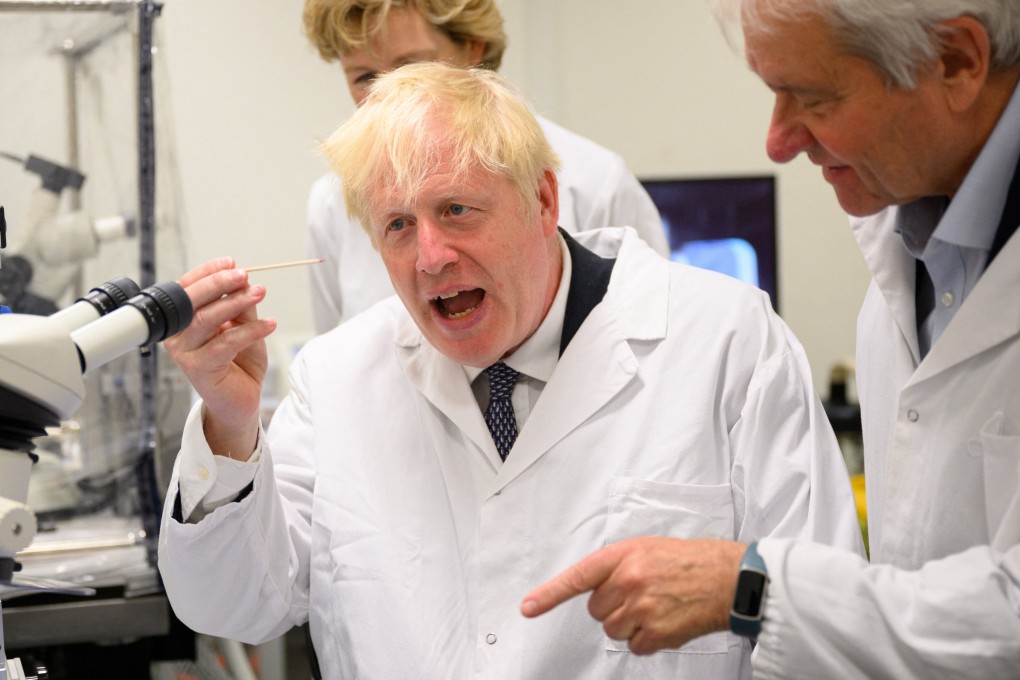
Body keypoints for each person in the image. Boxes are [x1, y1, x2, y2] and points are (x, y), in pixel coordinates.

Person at [157, 62, 862, 678]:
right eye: (398, 226)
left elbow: (822, 621)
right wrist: (229, 421)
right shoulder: (338, 378)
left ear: (544, 200)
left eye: (456, 210)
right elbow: (235, 604)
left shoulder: (725, 342)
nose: (429, 257)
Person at [522, 1, 1020, 677]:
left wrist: (749, 588)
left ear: (958, 61)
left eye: (812, 96)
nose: (778, 141)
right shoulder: (907, 259)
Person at [301, 0, 670, 333]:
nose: (390, 95)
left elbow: (657, 339)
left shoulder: (593, 180)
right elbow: (338, 365)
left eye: (412, 66)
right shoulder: (333, 204)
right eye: (366, 77)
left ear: (472, 50)